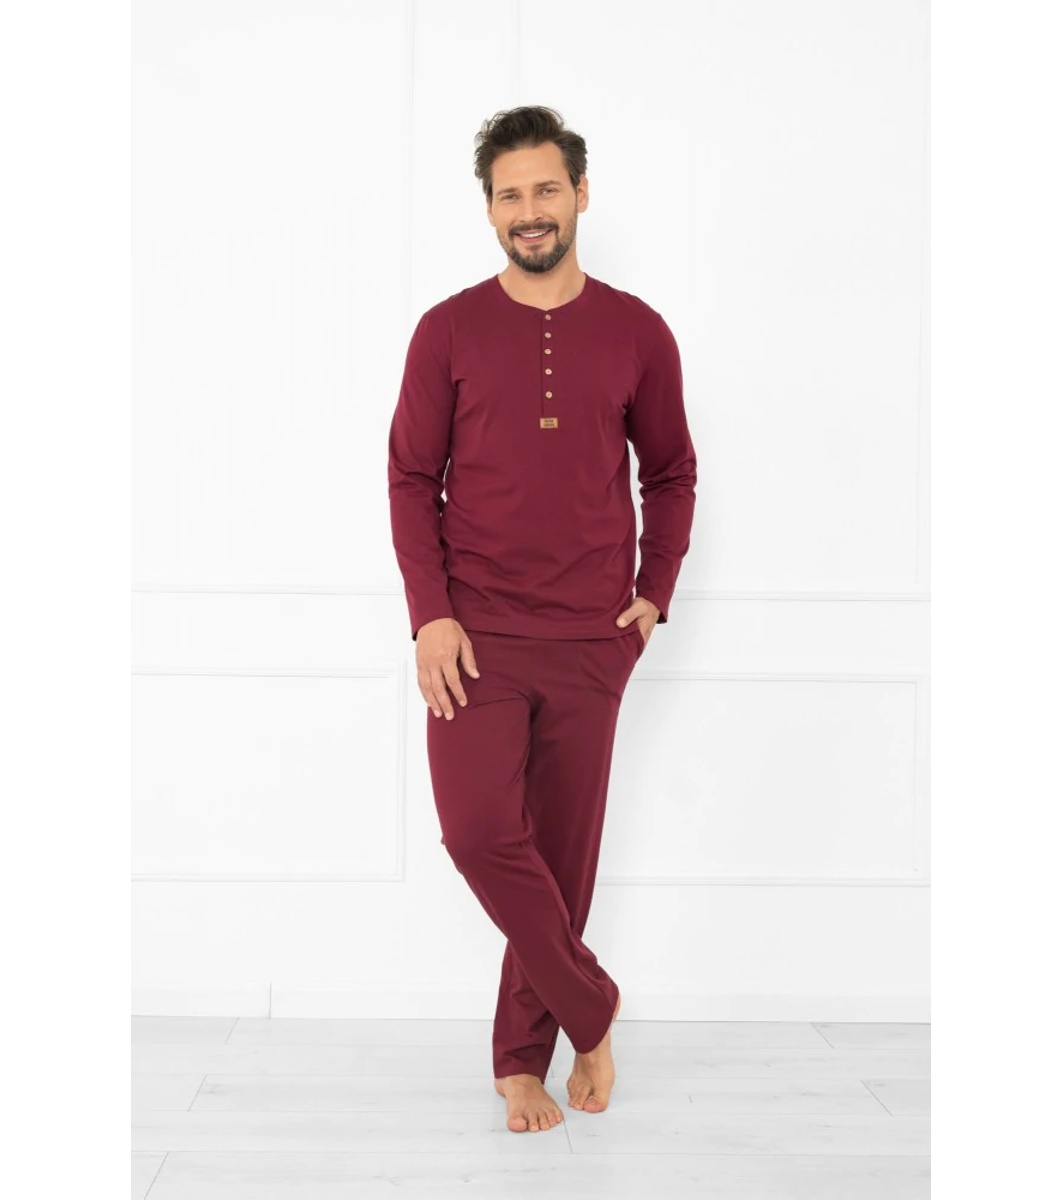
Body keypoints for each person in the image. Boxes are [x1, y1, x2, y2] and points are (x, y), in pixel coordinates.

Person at [387, 105, 697, 1134]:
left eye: (547, 189)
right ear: (489, 210)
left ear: (581, 195)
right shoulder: (447, 330)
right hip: (474, 637)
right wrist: (431, 617)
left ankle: (522, 1061)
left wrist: (654, 591)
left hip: (593, 638)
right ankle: (592, 1008)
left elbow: (671, 471)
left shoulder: (639, 331)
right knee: (478, 831)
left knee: (559, 863)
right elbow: (409, 478)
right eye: (510, 194)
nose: (530, 210)